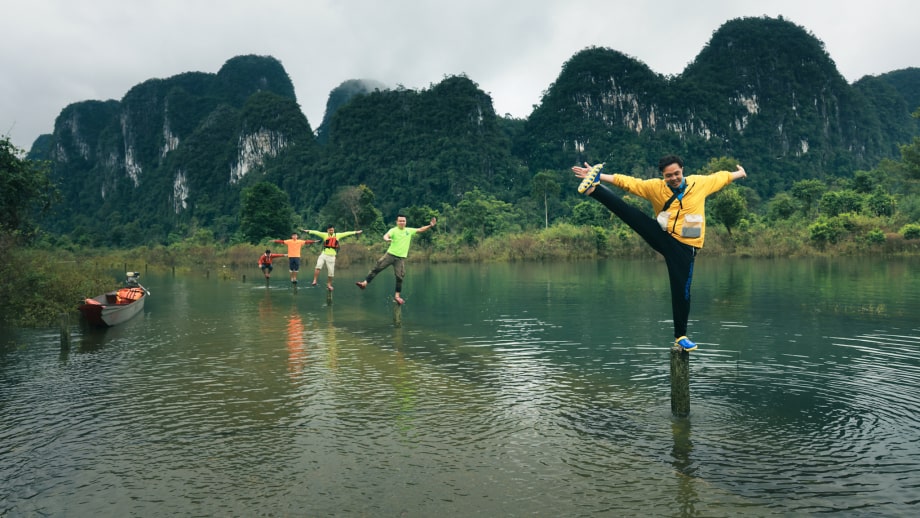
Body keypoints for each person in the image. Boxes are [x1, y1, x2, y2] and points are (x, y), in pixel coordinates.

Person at [572, 155, 747, 351]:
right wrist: (600, 176)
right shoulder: (656, 187)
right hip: (665, 237)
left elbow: (722, 177)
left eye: (677, 174)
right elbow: (629, 183)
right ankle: (594, 189)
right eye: (668, 175)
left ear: (683, 170)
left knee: (682, 291)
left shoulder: (700, 183)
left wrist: (740, 173)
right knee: (632, 215)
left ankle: (680, 336)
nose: (673, 178)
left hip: (685, 247)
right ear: (663, 176)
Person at [355, 215, 437, 305]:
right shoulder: (393, 230)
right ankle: (364, 283)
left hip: (400, 258)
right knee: (377, 268)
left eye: (403, 221)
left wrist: (430, 226)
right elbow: (386, 236)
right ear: (397, 222)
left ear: (406, 222)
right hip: (390, 255)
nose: (402, 222)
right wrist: (387, 239)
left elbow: (420, 229)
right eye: (400, 221)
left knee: (400, 277)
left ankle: (397, 296)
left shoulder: (408, 231)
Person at [300, 225, 363, 291]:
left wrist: (356, 232)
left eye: (332, 230)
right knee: (318, 266)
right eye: (330, 230)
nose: (331, 231)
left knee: (331, 272)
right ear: (327, 230)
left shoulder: (337, 235)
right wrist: (308, 231)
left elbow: (346, 233)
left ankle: (329, 285)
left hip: (332, 256)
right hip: (324, 254)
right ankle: (315, 280)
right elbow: (316, 232)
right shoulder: (324, 235)